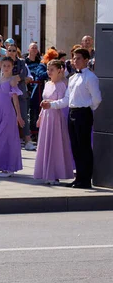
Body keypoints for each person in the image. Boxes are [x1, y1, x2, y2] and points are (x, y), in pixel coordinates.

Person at [40, 48, 102, 189]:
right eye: (74, 58)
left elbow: (97, 99)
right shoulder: (73, 78)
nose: (75, 61)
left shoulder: (91, 77)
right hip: (72, 113)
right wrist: (51, 105)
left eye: (78, 58)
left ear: (86, 60)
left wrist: (87, 108)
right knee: (75, 147)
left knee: (84, 147)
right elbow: (67, 100)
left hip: (83, 113)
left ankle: (85, 180)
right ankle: (79, 178)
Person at [34, 60, 74, 185]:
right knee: (46, 144)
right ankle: (45, 172)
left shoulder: (62, 85)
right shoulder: (47, 84)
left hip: (56, 117)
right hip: (46, 116)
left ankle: (55, 174)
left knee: (55, 145)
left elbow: (62, 102)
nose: (49, 72)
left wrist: (50, 105)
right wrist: (40, 117)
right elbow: (44, 101)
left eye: (52, 69)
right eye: (48, 69)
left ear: (59, 70)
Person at [7, 44, 36, 151]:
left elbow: (24, 74)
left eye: (13, 50)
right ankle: (10, 141)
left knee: (23, 116)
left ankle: (28, 140)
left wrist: (16, 78)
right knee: (8, 118)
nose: (11, 52)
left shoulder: (22, 62)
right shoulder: (4, 62)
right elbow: (2, 74)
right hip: (8, 93)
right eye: (9, 50)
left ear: (16, 51)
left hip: (20, 93)